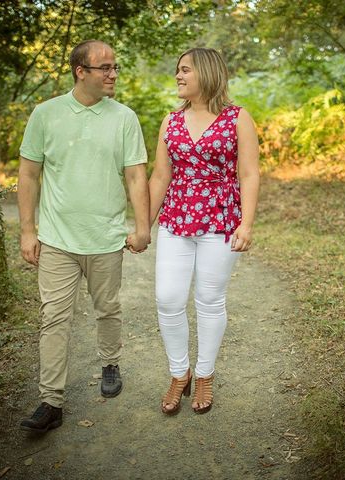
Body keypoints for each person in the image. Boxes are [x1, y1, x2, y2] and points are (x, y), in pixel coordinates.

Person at [17, 39, 150, 433]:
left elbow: (135, 175)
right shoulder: (46, 114)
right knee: (53, 318)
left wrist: (142, 228)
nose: (112, 74)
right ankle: (50, 401)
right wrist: (27, 230)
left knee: (107, 308)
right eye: (104, 68)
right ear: (80, 71)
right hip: (57, 239)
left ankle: (110, 362)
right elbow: (28, 173)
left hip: (106, 237)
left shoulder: (124, 117)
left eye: (115, 67)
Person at [148, 47, 260, 415]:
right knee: (167, 298)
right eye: (177, 71)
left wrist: (246, 222)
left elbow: (249, 174)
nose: (178, 76)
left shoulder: (237, 118)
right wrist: (144, 225)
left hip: (220, 220)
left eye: (185, 70)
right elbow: (161, 175)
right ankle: (179, 373)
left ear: (208, 73)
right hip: (176, 220)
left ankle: (206, 374)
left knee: (210, 301)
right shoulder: (171, 121)